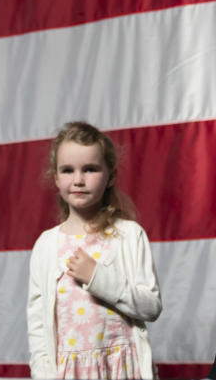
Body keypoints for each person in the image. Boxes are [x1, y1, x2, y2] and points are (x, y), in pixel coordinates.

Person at [27, 121, 162, 379]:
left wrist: (98, 278)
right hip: (70, 372)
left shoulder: (129, 235)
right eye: (67, 170)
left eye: (90, 169)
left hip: (122, 369)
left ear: (110, 175)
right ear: (55, 177)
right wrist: (43, 374)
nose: (78, 180)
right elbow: (38, 325)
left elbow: (151, 307)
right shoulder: (47, 245)